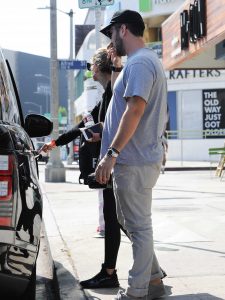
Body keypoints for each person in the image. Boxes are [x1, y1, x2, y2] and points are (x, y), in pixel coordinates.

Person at [96, 10, 168, 300]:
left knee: (138, 226)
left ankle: (137, 292)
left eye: (112, 33)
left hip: (133, 160)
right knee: (131, 222)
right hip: (135, 158)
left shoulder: (140, 63)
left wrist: (112, 152)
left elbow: (135, 109)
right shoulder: (140, 63)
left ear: (122, 29)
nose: (112, 40)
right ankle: (152, 278)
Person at [40, 47, 126, 288]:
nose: (91, 73)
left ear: (97, 68)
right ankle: (139, 266)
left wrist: (95, 133)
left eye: (91, 68)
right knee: (119, 220)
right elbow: (83, 125)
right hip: (113, 164)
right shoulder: (107, 93)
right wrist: (55, 142)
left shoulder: (114, 91)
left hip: (117, 163)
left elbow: (106, 125)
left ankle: (114, 272)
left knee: (120, 220)